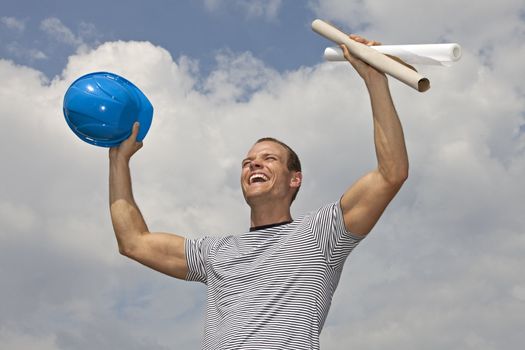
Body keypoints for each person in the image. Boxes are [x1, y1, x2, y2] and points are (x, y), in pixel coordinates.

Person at [109, 35, 408, 350]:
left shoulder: (321, 235)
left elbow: (391, 174)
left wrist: (375, 80)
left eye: (269, 159)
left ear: (295, 179)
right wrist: (118, 160)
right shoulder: (214, 254)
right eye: (247, 162)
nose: (254, 165)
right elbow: (134, 242)